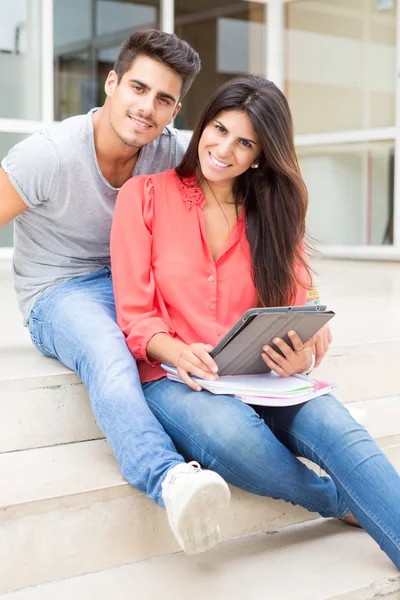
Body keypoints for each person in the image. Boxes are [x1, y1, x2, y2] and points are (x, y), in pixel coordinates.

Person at [110, 74, 400, 568]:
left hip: (264, 378)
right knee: (237, 437)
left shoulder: (272, 211)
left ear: (262, 153)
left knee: (343, 433)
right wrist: (176, 351)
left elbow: (304, 306)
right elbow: (135, 315)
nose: (224, 149)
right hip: (178, 377)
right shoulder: (144, 195)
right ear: (201, 126)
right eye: (219, 129)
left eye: (245, 142)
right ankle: (337, 500)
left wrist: (300, 355)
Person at [0, 29, 234, 556]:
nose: (147, 108)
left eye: (164, 99)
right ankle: (168, 478)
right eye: (138, 88)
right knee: (111, 352)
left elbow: (245, 210)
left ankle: (288, 413)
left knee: (209, 330)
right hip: (59, 291)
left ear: (176, 108)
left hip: (137, 281)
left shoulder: (174, 155)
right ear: (112, 83)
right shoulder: (50, 155)